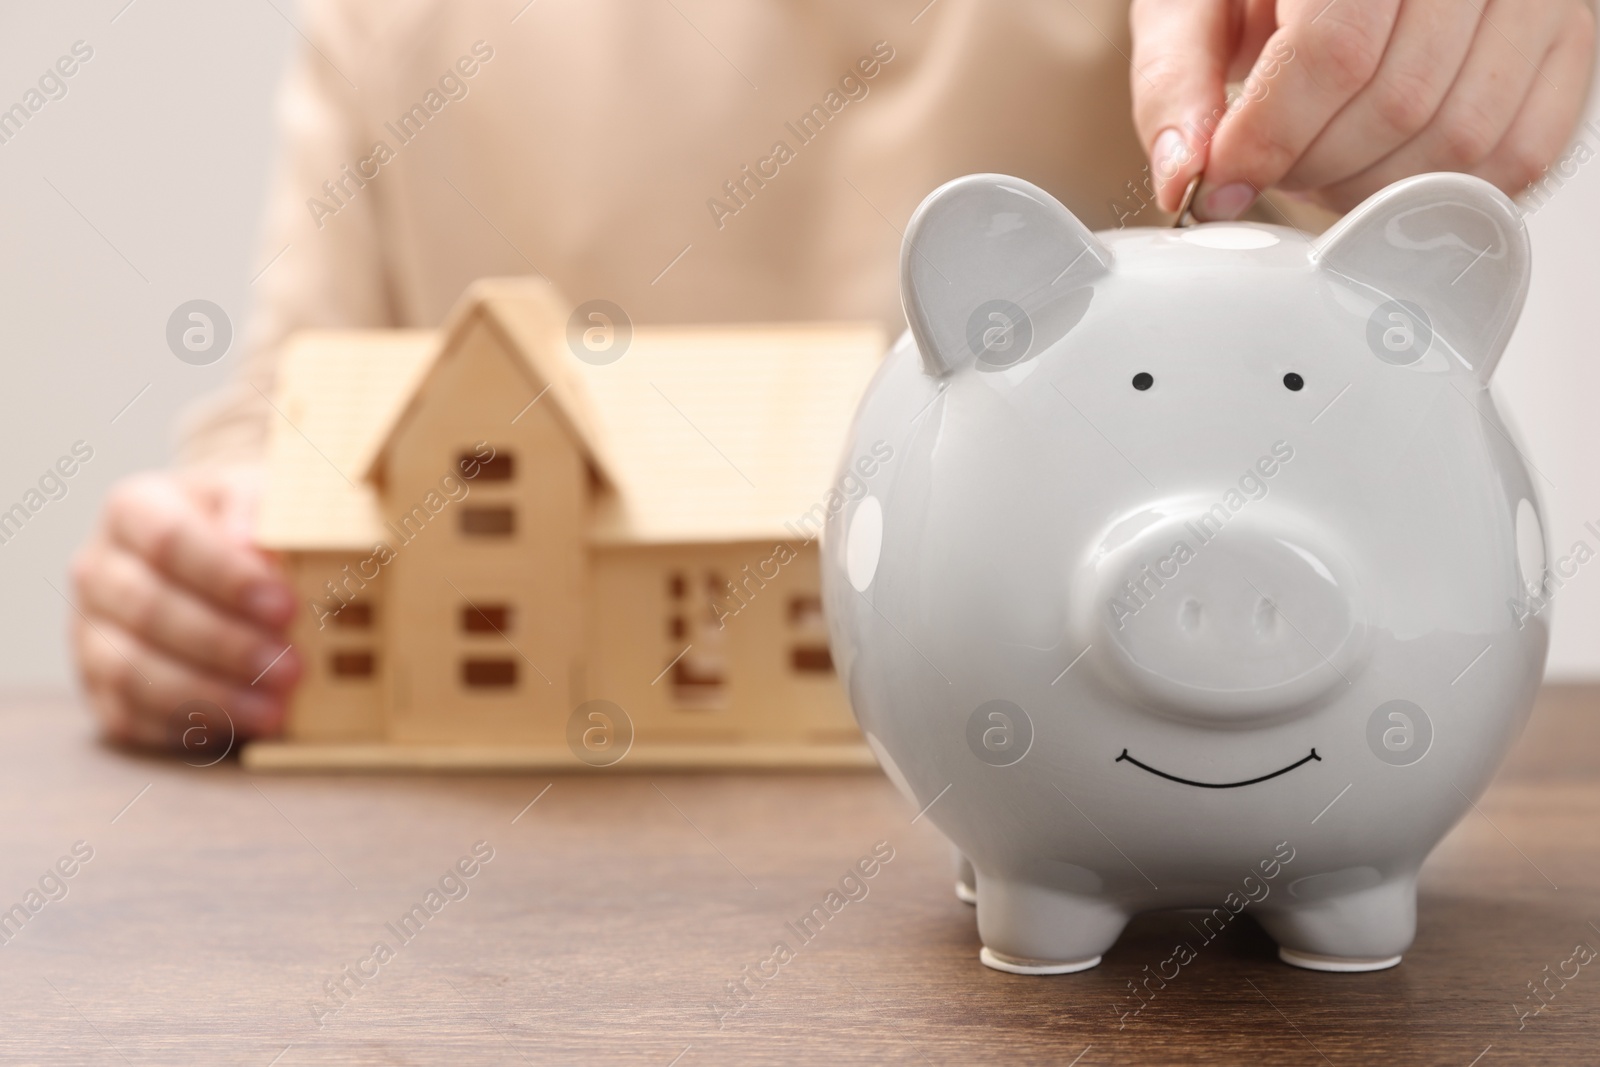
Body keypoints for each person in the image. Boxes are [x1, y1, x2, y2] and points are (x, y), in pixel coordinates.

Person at [70, 0, 1595, 749]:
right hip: (556, 860)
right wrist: (197, 576)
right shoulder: (403, 30)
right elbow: (282, 433)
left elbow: (1367, 240)